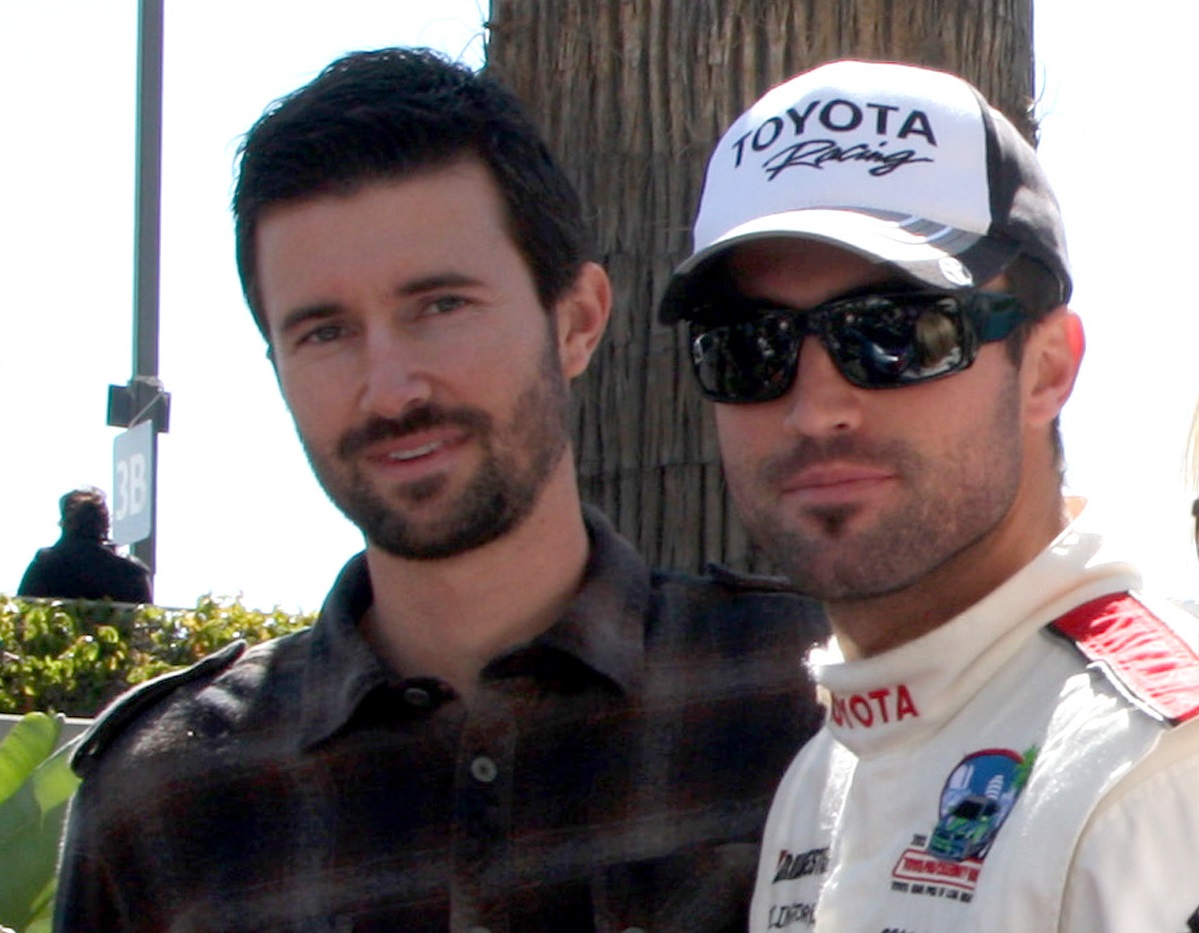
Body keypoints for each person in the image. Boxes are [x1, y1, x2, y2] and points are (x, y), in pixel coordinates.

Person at [53, 48, 828, 933]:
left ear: (575, 321)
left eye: (440, 306)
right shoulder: (163, 799)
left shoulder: (808, 699)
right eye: (324, 332)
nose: (390, 390)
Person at [661, 59, 1199, 931]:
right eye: (746, 345)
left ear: (1047, 369)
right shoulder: (822, 773)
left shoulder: (1161, 769)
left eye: (896, 333)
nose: (815, 408)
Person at [18, 487, 151, 603]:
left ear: (65, 523)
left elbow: (21, 620)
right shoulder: (130, 572)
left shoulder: (45, 566)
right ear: (105, 524)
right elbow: (146, 625)